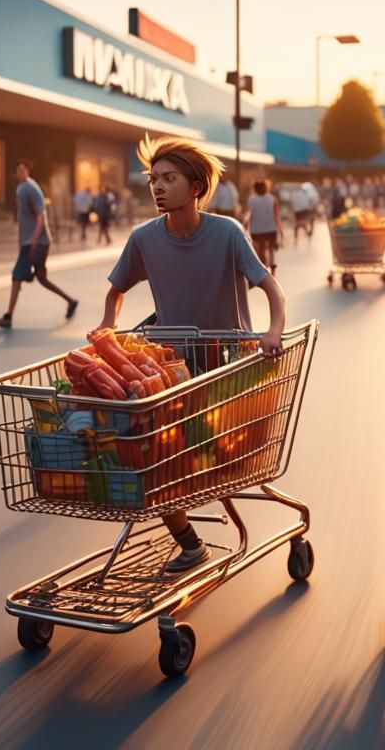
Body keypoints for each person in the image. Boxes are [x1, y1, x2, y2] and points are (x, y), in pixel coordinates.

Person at [93, 135, 286, 575]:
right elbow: (116, 293)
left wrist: (273, 331)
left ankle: (196, 510)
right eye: (153, 179)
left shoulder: (226, 233)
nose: (157, 187)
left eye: (169, 178)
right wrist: (107, 329)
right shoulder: (144, 239)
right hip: (168, 370)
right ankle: (190, 543)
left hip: (226, 367)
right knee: (152, 457)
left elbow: (269, 286)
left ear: (196, 186)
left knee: (186, 457)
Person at [0, 159, 78, 329]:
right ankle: (71, 301)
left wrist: (34, 241)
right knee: (41, 278)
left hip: (36, 242)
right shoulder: (22, 188)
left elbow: (41, 217)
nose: (20, 172)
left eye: (23, 169)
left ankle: (8, 316)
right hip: (33, 241)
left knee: (17, 276)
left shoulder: (30, 188)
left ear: (27, 171)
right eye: (18, 170)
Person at [244, 179, 283, 274]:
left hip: (256, 229)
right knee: (271, 250)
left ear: (255, 188)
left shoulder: (251, 199)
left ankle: (261, 269)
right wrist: (281, 231)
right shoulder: (272, 199)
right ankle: (273, 269)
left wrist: (245, 225)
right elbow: (277, 216)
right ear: (266, 187)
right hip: (270, 229)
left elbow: (249, 214)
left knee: (257, 250)